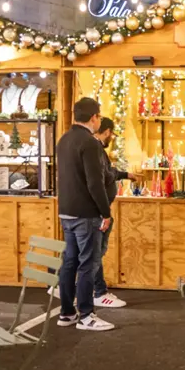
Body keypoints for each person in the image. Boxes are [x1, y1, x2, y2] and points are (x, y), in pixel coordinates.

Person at [55, 97, 115, 332]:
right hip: (86, 214)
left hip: (66, 212)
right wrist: (105, 212)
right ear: (94, 118)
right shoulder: (90, 143)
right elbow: (95, 182)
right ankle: (87, 316)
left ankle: (67, 312)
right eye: (99, 116)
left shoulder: (64, 140)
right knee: (88, 264)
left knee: (70, 262)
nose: (99, 120)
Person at [92, 117, 141, 308]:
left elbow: (108, 172)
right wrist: (105, 213)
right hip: (98, 211)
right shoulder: (95, 149)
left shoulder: (98, 151)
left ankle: (88, 288)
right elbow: (103, 176)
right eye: (111, 133)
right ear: (105, 131)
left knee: (92, 252)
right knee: (95, 252)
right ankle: (98, 292)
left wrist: (125, 175)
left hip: (99, 209)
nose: (111, 137)